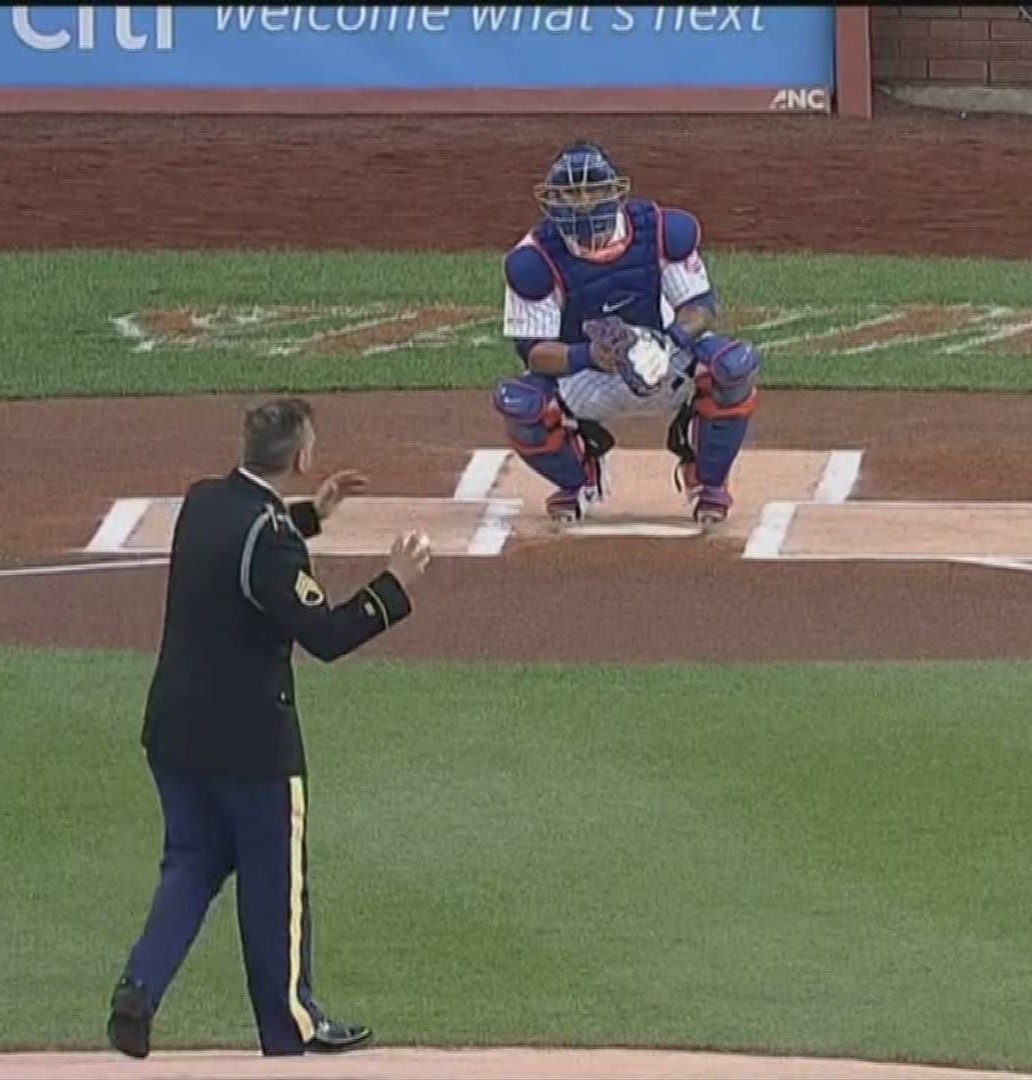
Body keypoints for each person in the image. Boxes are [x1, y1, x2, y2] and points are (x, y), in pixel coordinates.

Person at [106, 397, 431, 1059]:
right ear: (302, 456)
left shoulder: (202, 502)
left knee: (192, 865)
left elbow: (244, 549)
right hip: (250, 748)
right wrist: (394, 588)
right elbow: (328, 635)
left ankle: (139, 988)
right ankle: (292, 1026)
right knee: (274, 888)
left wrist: (315, 512)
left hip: (173, 732)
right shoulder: (274, 540)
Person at [492, 138, 762, 526]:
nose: (583, 201)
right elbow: (534, 352)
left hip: (667, 361)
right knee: (522, 404)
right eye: (572, 193)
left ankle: (707, 481)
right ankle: (579, 477)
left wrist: (666, 343)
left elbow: (700, 309)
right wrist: (591, 355)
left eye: (592, 189)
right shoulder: (533, 260)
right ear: (552, 199)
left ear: (613, 190)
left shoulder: (660, 231)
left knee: (731, 367)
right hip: (587, 378)